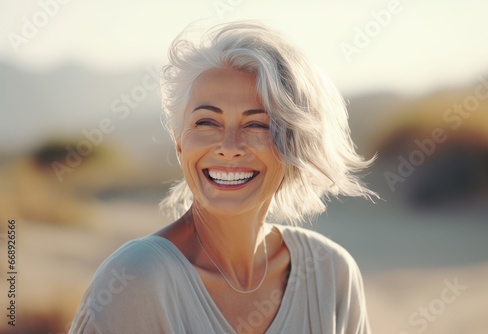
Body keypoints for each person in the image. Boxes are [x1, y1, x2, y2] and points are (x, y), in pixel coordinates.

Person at [69, 21, 377, 334]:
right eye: (206, 122)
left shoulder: (331, 273)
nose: (229, 148)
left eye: (257, 125)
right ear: (179, 142)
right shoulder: (134, 280)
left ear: (294, 143)